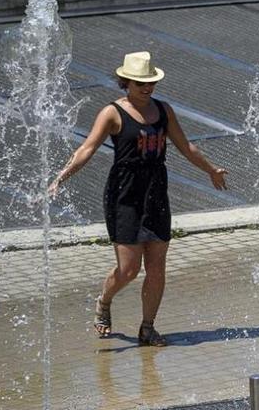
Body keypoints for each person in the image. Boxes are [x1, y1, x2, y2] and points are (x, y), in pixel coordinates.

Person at [49, 51, 228, 346]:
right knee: (129, 269)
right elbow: (86, 149)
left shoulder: (164, 110)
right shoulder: (112, 113)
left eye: (150, 83)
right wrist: (60, 177)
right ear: (125, 83)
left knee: (157, 267)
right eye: (140, 84)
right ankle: (104, 302)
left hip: (156, 190)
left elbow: (186, 147)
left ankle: (147, 327)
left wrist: (211, 169)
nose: (147, 89)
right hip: (125, 193)